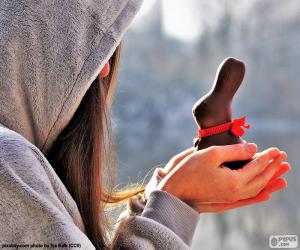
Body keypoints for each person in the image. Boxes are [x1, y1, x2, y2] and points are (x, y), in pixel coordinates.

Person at [0, 0, 290, 249]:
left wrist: (160, 204)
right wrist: (173, 202)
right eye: (101, 50)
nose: (106, 69)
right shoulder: (7, 161)